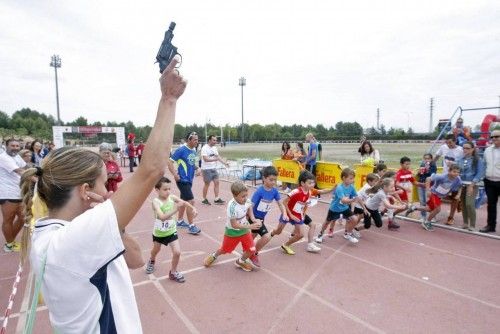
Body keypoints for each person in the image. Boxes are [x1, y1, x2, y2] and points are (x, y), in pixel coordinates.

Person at [19, 57, 186, 332]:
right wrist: (169, 98)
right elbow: (152, 168)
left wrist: (113, 222)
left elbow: (135, 260)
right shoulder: (74, 240)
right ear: (85, 191)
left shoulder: (55, 234)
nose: (108, 190)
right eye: (103, 183)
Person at [145, 177, 197, 282]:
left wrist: (193, 208)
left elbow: (184, 202)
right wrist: (175, 209)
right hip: (159, 233)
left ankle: (173, 272)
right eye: (165, 189)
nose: (168, 192)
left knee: (177, 252)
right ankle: (152, 260)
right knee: (156, 250)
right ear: (157, 190)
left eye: (169, 189)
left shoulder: (172, 197)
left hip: (171, 231)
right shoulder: (156, 202)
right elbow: (161, 216)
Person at [203, 181, 261, 272]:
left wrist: (254, 219)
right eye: (243, 196)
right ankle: (214, 255)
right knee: (224, 250)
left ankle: (240, 261)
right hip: (232, 232)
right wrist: (250, 227)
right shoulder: (232, 206)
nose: (246, 198)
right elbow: (234, 225)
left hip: (244, 230)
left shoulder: (247, 200)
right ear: (234, 196)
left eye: (246, 195)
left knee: (252, 249)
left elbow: (249, 208)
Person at [247, 166, 288, 267]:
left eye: (275, 180)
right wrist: (252, 219)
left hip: (261, 218)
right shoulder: (259, 191)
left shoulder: (274, 191)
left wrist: (285, 213)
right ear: (264, 178)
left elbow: (280, 203)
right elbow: (250, 206)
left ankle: (247, 250)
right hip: (254, 217)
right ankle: (253, 254)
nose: (273, 182)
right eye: (271, 180)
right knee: (266, 237)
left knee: (253, 236)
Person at [271, 170, 318, 254]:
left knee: (301, 235)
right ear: (303, 183)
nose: (312, 185)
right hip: (288, 213)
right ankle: (272, 233)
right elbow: (284, 202)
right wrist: (291, 215)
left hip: (297, 215)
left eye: (313, 183)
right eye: (310, 183)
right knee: (278, 231)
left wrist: (303, 212)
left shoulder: (309, 192)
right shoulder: (296, 192)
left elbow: (305, 203)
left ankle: (286, 245)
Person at [315, 168, 367, 244]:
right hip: (335, 208)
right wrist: (352, 200)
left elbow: (357, 198)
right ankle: (320, 235)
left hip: (344, 208)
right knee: (327, 222)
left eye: (353, 178)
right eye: (351, 178)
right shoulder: (339, 188)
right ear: (344, 178)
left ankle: (348, 234)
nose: (352, 180)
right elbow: (343, 200)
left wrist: (364, 208)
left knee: (354, 219)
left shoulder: (351, 187)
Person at [406, 164, 462, 231]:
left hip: (440, 196)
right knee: (437, 209)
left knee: (430, 209)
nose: (456, 174)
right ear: (449, 171)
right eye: (454, 172)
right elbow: (428, 178)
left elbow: (460, 186)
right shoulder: (442, 176)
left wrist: (458, 194)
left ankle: (414, 208)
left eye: (458, 172)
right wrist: (428, 190)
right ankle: (426, 222)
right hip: (434, 193)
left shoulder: (458, 179)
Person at [167, 132, 202, 235]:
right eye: (195, 139)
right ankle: (191, 226)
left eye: (197, 139)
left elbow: (191, 163)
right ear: (189, 140)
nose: (197, 141)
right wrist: (174, 174)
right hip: (182, 180)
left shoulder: (194, 150)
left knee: (183, 200)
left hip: (189, 180)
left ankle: (180, 221)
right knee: (191, 201)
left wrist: (198, 168)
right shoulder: (181, 150)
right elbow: (169, 161)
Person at [1, 138, 26, 252]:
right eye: (13, 146)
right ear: (6, 146)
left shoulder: (16, 156)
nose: (15, 148)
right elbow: (19, 171)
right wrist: (37, 179)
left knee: (22, 218)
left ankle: (10, 241)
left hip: (18, 191)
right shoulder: (3, 157)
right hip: (7, 193)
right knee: (8, 219)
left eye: (17, 146)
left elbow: (24, 167)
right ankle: (9, 245)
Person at [433, 133, 464, 225]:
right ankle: (433, 213)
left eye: (450, 143)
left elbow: (463, 163)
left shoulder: (460, 150)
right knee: (437, 195)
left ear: (455, 141)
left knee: (455, 198)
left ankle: (451, 217)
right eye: (447, 143)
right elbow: (437, 157)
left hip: (455, 178)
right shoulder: (443, 147)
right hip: (444, 177)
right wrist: (431, 164)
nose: (448, 145)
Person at [457, 141, 485, 231]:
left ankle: (472, 224)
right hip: (461, 185)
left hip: (472, 185)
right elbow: (457, 172)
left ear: (473, 149)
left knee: (469, 204)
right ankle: (465, 223)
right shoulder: (460, 159)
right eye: (464, 148)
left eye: (467, 148)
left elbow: (480, 173)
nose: (465, 150)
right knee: (463, 204)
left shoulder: (478, 160)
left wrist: (472, 185)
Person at [480, 130, 500, 233]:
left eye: (497, 136)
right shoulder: (487, 150)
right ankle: (490, 226)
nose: (494, 138)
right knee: (491, 205)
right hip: (489, 181)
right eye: (492, 137)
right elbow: (484, 164)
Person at [200, 135, 229, 205]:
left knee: (217, 182)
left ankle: (216, 198)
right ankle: (204, 199)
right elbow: (205, 159)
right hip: (206, 169)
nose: (215, 142)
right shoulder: (204, 148)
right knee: (207, 184)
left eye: (216, 140)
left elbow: (217, 156)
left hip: (213, 168)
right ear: (209, 140)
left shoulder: (214, 148)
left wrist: (225, 163)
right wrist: (215, 159)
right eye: (214, 140)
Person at [416, 153, 437, 220]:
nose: (426, 160)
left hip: (429, 186)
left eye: (428, 158)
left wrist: (427, 169)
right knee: (422, 201)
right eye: (425, 158)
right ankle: (423, 216)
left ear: (431, 159)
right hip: (421, 184)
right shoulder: (422, 165)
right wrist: (419, 172)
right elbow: (420, 175)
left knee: (429, 201)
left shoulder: (433, 166)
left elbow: (432, 175)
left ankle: (432, 217)